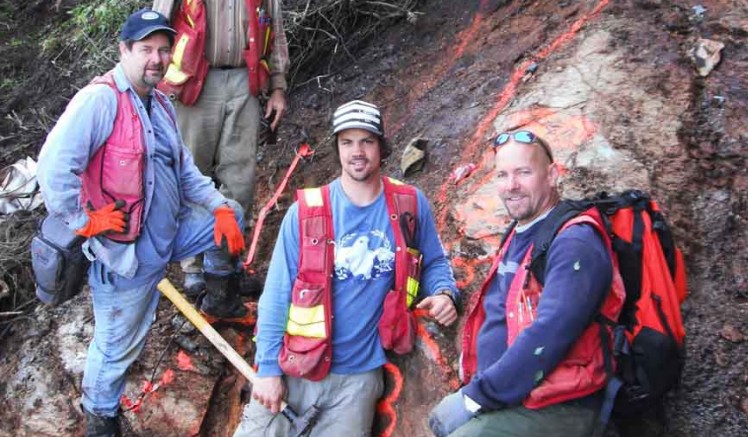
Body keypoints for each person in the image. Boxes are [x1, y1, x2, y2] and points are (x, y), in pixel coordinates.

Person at [36, 9, 247, 437]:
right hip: (128, 255)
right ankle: (100, 417)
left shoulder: (160, 103)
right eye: (146, 49)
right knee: (116, 346)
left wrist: (218, 206)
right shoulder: (101, 101)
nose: (156, 58)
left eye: (163, 50)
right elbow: (53, 166)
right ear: (124, 51)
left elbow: (185, 170)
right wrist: (85, 221)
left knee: (233, 211)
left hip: (169, 233)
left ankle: (219, 294)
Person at [233, 100, 460, 436]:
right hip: (297, 371)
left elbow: (435, 261)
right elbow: (277, 295)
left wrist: (444, 292)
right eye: (347, 142)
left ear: (381, 146)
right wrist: (267, 369)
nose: (357, 151)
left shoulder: (409, 204)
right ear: (337, 146)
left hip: (358, 382)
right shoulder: (306, 214)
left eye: (367, 141)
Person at [428, 131, 625, 436]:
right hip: (516, 395)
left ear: (552, 175)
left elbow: (550, 333)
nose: (511, 185)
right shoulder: (521, 233)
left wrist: (474, 398)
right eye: (503, 175)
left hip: (563, 402)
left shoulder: (574, 241)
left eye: (523, 172)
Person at [152, 0, 290, 298]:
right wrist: (151, 84)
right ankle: (193, 267)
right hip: (193, 82)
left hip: (245, 80)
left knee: (240, 179)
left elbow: (274, 30)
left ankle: (226, 266)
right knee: (191, 173)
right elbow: (157, 24)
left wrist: (277, 87)